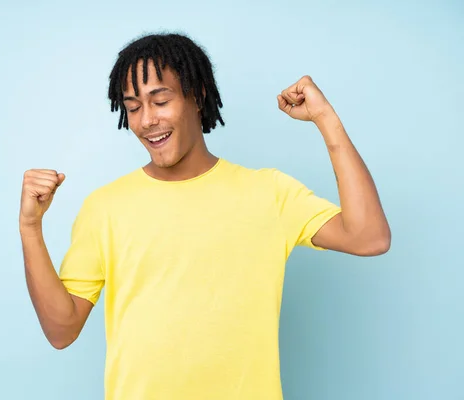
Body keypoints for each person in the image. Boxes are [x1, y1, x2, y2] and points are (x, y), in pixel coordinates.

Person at [19, 33, 390, 400]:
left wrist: (326, 118)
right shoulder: (104, 207)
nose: (147, 120)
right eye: (133, 108)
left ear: (196, 96)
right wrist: (31, 227)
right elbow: (61, 330)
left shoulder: (269, 193)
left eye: (160, 101)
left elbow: (369, 237)